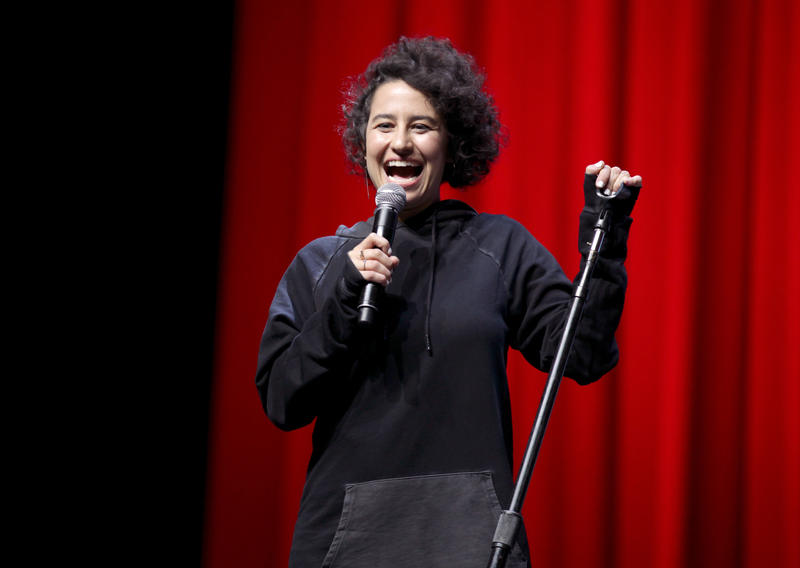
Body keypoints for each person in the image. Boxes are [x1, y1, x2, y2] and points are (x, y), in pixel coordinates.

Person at [257, 36, 642, 568]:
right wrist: (346, 299)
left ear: (451, 143)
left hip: (471, 541)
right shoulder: (322, 263)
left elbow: (583, 356)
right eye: (384, 125)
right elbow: (282, 402)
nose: (401, 143)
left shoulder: (500, 247)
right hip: (344, 544)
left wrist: (605, 238)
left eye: (422, 126)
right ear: (362, 141)